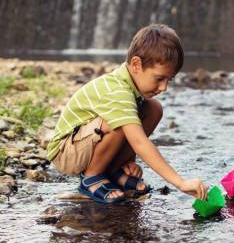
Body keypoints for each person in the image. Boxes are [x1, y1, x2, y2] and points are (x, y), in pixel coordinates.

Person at [47, 24, 208, 204]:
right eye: (159, 78)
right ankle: (92, 177)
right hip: (65, 152)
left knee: (153, 108)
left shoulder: (131, 87)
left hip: (86, 143)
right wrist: (181, 183)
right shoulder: (118, 92)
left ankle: (114, 170)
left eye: (168, 80)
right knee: (120, 122)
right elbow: (138, 141)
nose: (164, 87)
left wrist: (127, 160)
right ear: (136, 65)